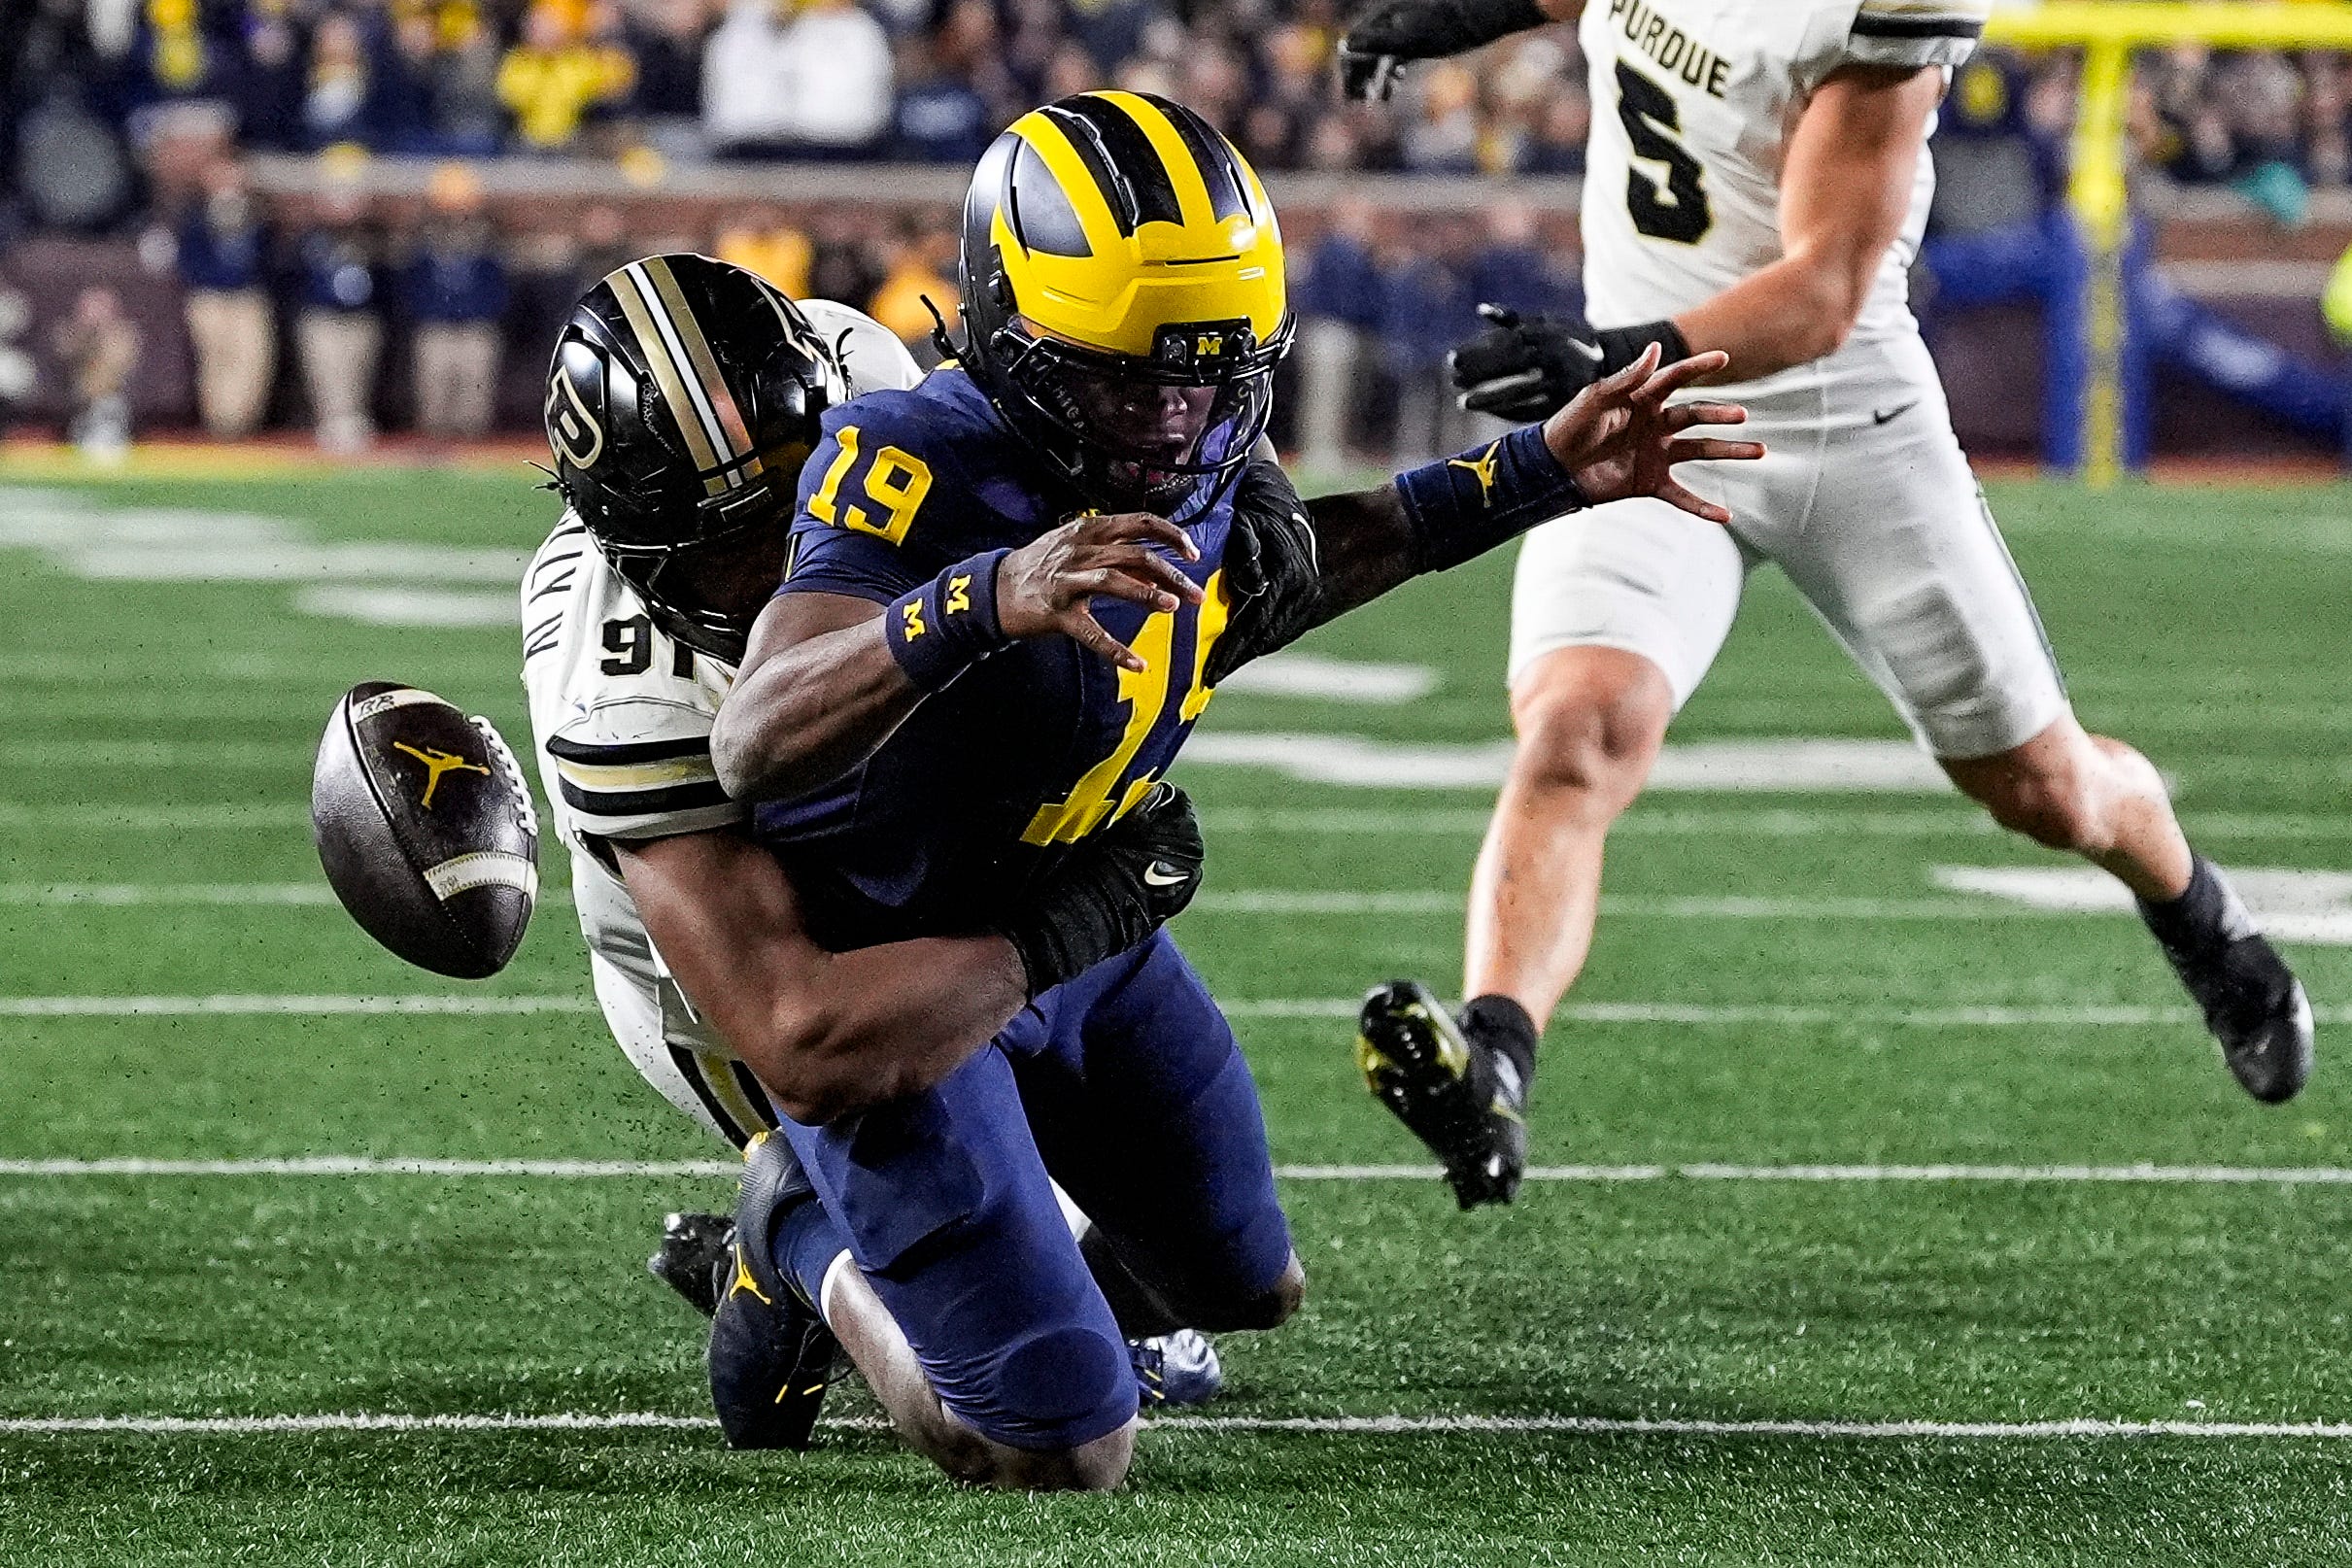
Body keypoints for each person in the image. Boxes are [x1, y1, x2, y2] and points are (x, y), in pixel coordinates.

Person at [703, 89, 1757, 1490]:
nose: (1170, 416)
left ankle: (964, 1264)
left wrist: (1539, 474)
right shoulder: (915, 462)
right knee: (1060, 1447)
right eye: (1128, 379)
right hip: (913, 971)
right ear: (1014, 336)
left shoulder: (1185, 436)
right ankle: (799, 1238)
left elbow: (1270, 584)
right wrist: (978, 602)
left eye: (1205, 376)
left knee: (1243, 1283)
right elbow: (758, 739)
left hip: (1085, 925)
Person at [1331, 0, 2316, 1210]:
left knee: (2045, 790)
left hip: (1841, 423)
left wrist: (1609, 351)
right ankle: (1494, 1064)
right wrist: (1434, 22)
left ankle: (2205, 922)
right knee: (1578, 727)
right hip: (1660, 423)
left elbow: (1826, 286)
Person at [524, 254, 1230, 1447]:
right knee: (1004, 1415)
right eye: (729, 544)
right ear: (635, 541)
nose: (778, 571)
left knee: (1196, 1277)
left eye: (792, 507)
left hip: (925, 887)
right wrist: (1068, 922)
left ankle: (851, 1233)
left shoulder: (858, 380)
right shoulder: (612, 678)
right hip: (740, 985)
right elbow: (798, 1026)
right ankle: (790, 1239)